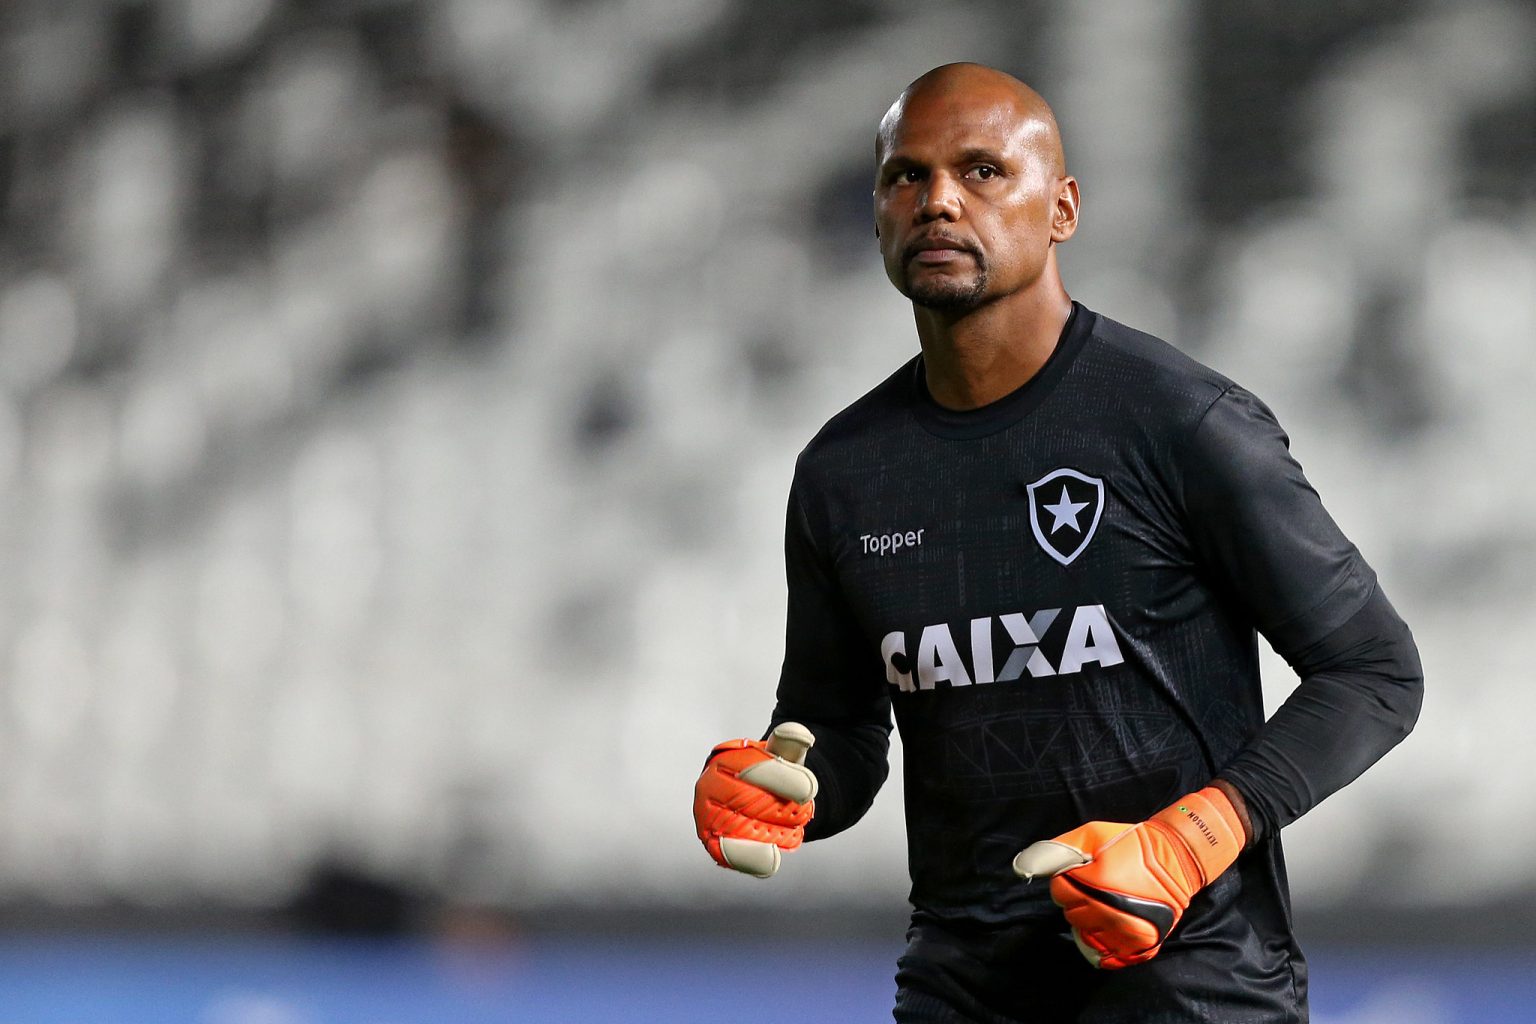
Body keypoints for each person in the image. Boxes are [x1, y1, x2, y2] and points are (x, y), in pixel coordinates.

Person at [691, 62, 1422, 1023]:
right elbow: (840, 727)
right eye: (906, 176)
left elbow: (1374, 671)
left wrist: (1188, 843)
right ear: (877, 215)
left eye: (982, 171)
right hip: (961, 986)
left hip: (1192, 986)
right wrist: (785, 790)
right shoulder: (843, 473)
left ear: (1062, 209)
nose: (938, 199)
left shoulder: (1181, 422)